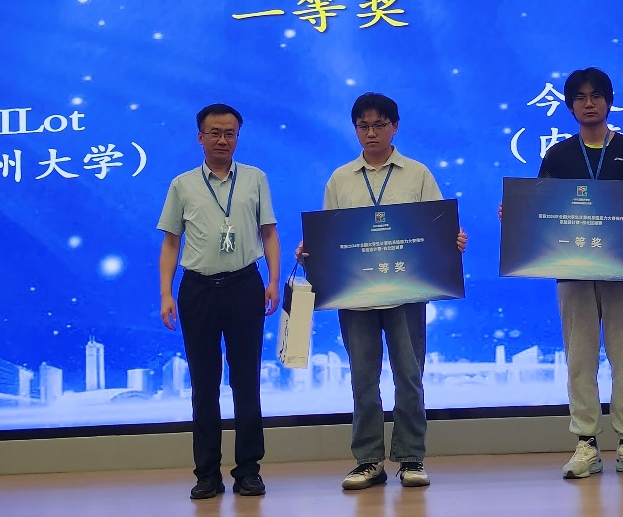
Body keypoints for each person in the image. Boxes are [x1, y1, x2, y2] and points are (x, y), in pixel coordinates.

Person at [297, 92, 467, 491]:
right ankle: (368, 461)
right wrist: (310, 252)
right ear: (355, 129)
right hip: (355, 295)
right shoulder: (340, 178)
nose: (371, 132)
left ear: (395, 127)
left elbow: (437, 228)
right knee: (362, 379)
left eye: (379, 124)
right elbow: (329, 237)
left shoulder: (417, 174)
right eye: (363, 125)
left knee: (409, 377)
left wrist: (452, 241)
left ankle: (411, 457)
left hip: (406, 293)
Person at [157, 104, 281, 500]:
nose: (222, 140)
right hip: (198, 290)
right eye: (215, 133)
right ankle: (207, 474)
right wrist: (166, 293)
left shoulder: (256, 178)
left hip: (245, 285)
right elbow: (171, 242)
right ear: (200, 137)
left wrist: (273, 280)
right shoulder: (182, 185)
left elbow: (269, 232)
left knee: (246, 381)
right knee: (204, 383)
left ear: (237, 137)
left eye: (230, 133)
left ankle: (249, 470)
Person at [539, 67, 623, 479]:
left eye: (595, 96)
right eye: (580, 97)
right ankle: (586, 442)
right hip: (572, 270)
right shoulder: (557, 155)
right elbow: (540, 212)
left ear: (609, 101)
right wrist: (516, 215)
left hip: (622, 268)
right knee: (580, 357)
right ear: (570, 105)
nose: (588, 103)